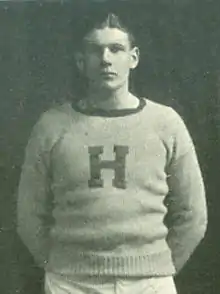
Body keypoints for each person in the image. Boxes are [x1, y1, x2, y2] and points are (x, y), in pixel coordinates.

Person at [16, 9, 207, 294]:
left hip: (150, 282)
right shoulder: (51, 125)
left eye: (116, 49)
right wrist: (61, 266)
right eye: (95, 50)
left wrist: (156, 267)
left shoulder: (165, 123)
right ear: (81, 62)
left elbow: (193, 214)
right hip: (70, 282)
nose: (105, 59)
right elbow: (28, 215)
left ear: (134, 58)